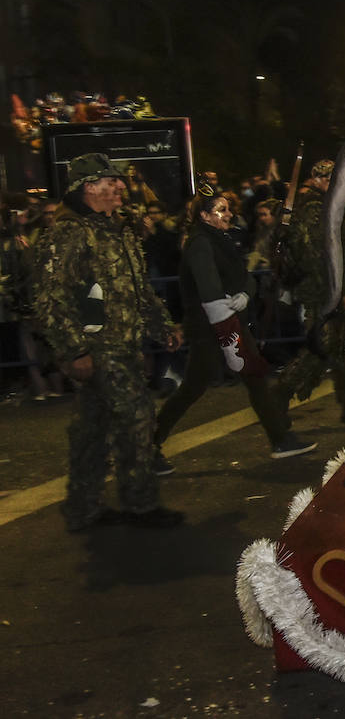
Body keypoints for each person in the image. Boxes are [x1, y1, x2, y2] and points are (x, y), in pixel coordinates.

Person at [33, 153, 185, 532]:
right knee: (137, 417)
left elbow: (136, 289)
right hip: (99, 349)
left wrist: (162, 325)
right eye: (112, 181)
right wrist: (74, 351)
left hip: (124, 345)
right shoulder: (69, 233)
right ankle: (141, 504)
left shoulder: (116, 228)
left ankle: (83, 508)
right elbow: (52, 298)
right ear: (90, 187)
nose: (121, 186)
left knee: (92, 428)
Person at [151, 187, 315, 474]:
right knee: (193, 387)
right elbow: (210, 288)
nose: (229, 214)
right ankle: (148, 446)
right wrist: (228, 328)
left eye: (228, 209)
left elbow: (242, 275)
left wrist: (245, 293)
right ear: (204, 215)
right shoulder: (201, 243)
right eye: (221, 210)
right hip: (210, 328)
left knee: (254, 377)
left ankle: (281, 439)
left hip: (228, 322)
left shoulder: (220, 239)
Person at [272, 159, 345, 417]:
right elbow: (318, 256)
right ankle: (281, 392)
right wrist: (342, 291)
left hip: (329, 289)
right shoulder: (313, 209)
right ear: (320, 180)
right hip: (324, 291)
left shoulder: (322, 205)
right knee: (321, 348)